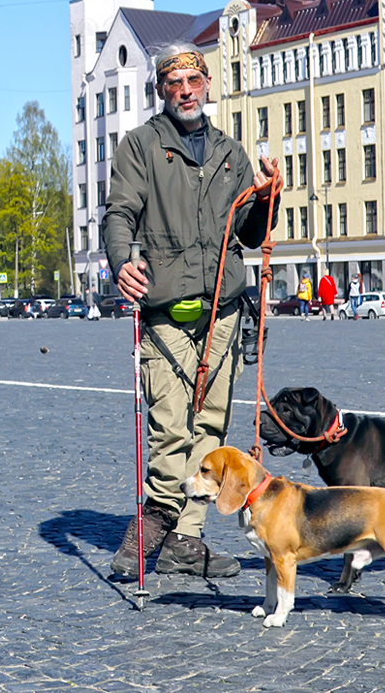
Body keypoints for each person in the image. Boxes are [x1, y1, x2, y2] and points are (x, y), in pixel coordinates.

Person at [103, 43, 280, 580]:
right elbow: (120, 213)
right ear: (161, 89)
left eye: (194, 81)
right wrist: (119, 263)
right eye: (174, 83)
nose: (185, 91)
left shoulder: (231, 153)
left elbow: (251, 230)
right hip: (165, 313)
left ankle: (187, 539)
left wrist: (272, 194)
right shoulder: (140, 147)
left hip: (223, 312)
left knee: (210, 425)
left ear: (207, 85)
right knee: (169, 427)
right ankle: (150, 526)